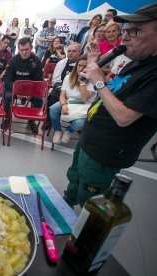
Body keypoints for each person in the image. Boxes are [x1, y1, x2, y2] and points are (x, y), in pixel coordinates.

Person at [63, 3, 157, 207]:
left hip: (104, 153)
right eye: (125, 30)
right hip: (90, 140)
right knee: (75, 180)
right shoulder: (139, 62)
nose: (124, 37)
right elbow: (111, 93)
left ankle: (79, 235)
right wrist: (95, 62)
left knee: (90, 202)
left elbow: (124, 117)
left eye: (135, 31)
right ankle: (64, 209)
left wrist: (99, 81)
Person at [49, 55, 96, 145]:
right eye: (79, 65)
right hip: (70, 101)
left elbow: (85, 98)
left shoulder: (92, 80)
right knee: (53, 109)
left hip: (84, 105)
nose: (81, 68)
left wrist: (82, 81)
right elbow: (62, 95)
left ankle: (69, 131)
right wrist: (63, 105)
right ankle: (57, 130)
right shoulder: (68, 77)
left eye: (85, 66)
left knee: (80, 123)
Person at [2, 37, 43, 132]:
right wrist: (17, 92)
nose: (24, 52)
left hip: (30, 90)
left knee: (39, 100)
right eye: (21, 50)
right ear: (18, 49)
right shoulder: (12, 61)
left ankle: (31, 121)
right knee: (7, 96)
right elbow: (7, 80)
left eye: (27, 50)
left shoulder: (37, 61)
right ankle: (7, 119)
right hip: (14, 89)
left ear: (31, 48)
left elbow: (38, 81)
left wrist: (31, 93)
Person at [45, 43, 82, 129]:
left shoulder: (83, 64)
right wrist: (63, 92)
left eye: (74, 51)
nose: (70, 53)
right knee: (51, 99)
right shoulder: (61, 63)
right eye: (69, 51)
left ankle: (74, 124)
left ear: (80, 52)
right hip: (61, 90)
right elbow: (56, 80)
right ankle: (49, 121)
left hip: (77, 92)